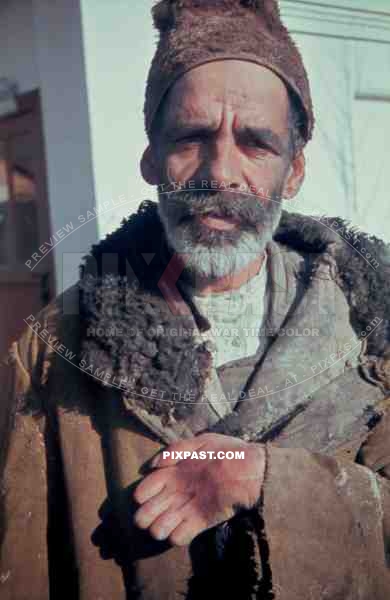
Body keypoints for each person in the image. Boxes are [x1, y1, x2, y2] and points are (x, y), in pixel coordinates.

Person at [1, 1, 390, 598]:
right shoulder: (52, 351)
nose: (221, 172)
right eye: (192, 137)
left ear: (294, 172)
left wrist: (267, 479)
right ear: (152, 159)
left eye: (257, 143)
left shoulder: (376, 331)